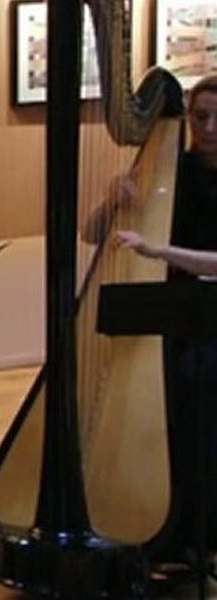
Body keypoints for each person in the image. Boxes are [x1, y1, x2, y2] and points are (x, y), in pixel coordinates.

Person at [113, 74, 217, 571]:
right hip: (171, 315)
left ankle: (203, 535)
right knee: (166, 422)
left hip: (210, 321)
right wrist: (114, 199)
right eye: (200, 117)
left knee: (202, 417)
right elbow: (95, 235)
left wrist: (160, 251)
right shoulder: (169, 168)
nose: (210, 127)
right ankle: (165, 528)